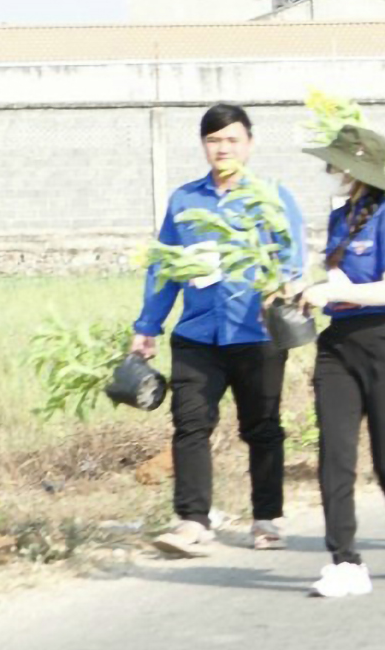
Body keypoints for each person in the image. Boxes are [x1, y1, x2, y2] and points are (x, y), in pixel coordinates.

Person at [131, 102, 307, 557]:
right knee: (190, 424)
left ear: (249, 143)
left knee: (263, 427)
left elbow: (293, 259)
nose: (222, 148)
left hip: (257, 334)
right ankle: (192, 520)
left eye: (231, 139)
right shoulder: (184, 200)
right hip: (198, 335)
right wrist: (147, 326)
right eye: (213, 140)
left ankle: (267, 517)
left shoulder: (272, 196)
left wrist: (283, 286)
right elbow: (164, 268)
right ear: (203, 146)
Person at [295, 123, 385, 596]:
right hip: (339, 346)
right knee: (335, 457)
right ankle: (345, 562)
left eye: (342, 162)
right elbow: (337, 282)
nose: (333, 169)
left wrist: (333, 292)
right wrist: (306, 291)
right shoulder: (342, 217)